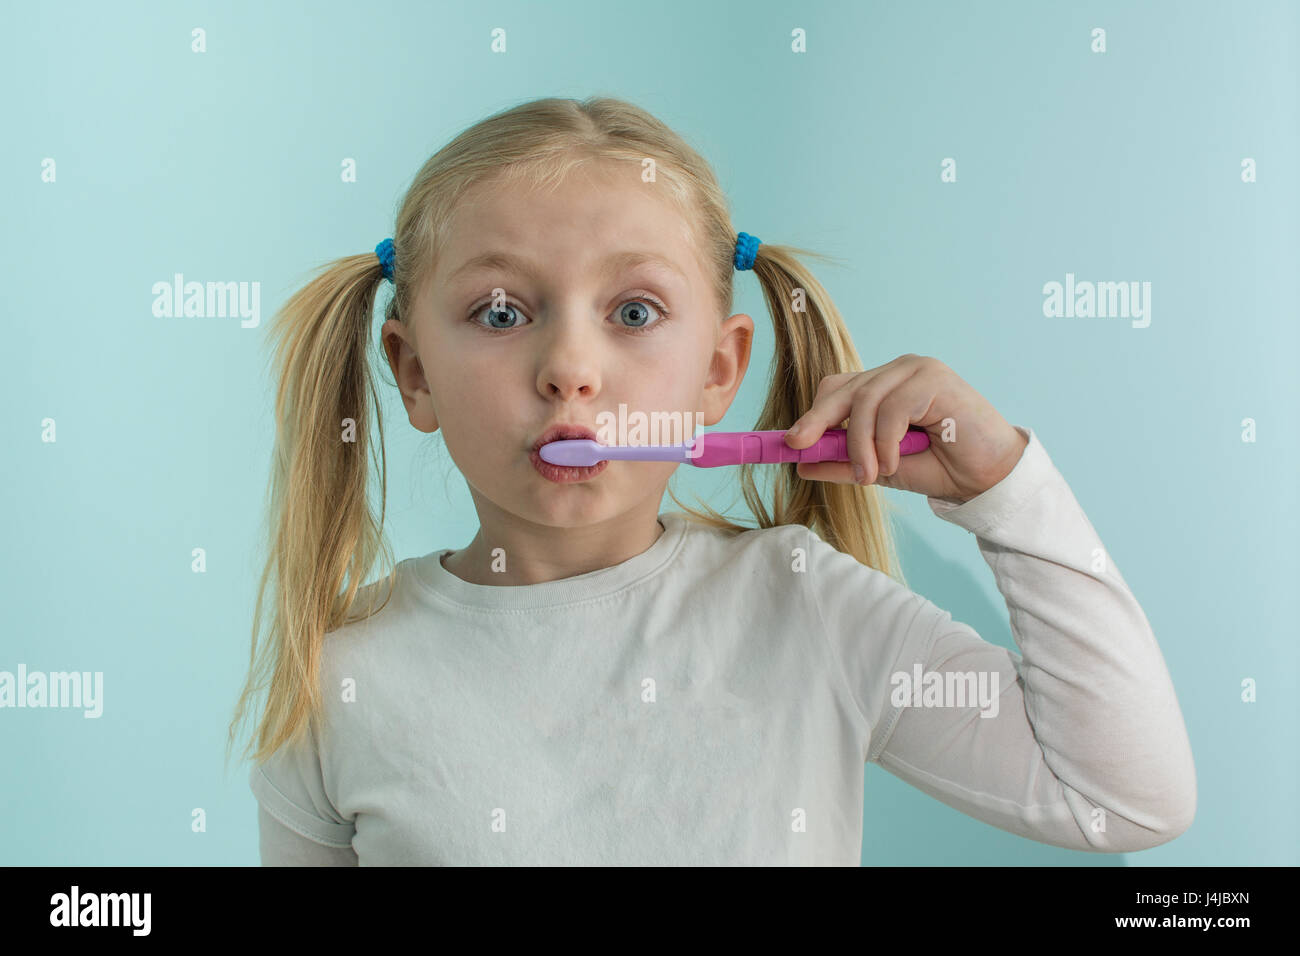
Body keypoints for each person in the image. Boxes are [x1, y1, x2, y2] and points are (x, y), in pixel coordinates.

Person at [226, 96, 1195, 865]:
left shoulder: (802, 606)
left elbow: (1124, 796)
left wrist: (1002, 488)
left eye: (635, 312)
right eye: (500, 311)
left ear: (718, 373)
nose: (570, 365)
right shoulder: (336, 678)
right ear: (413, 371)